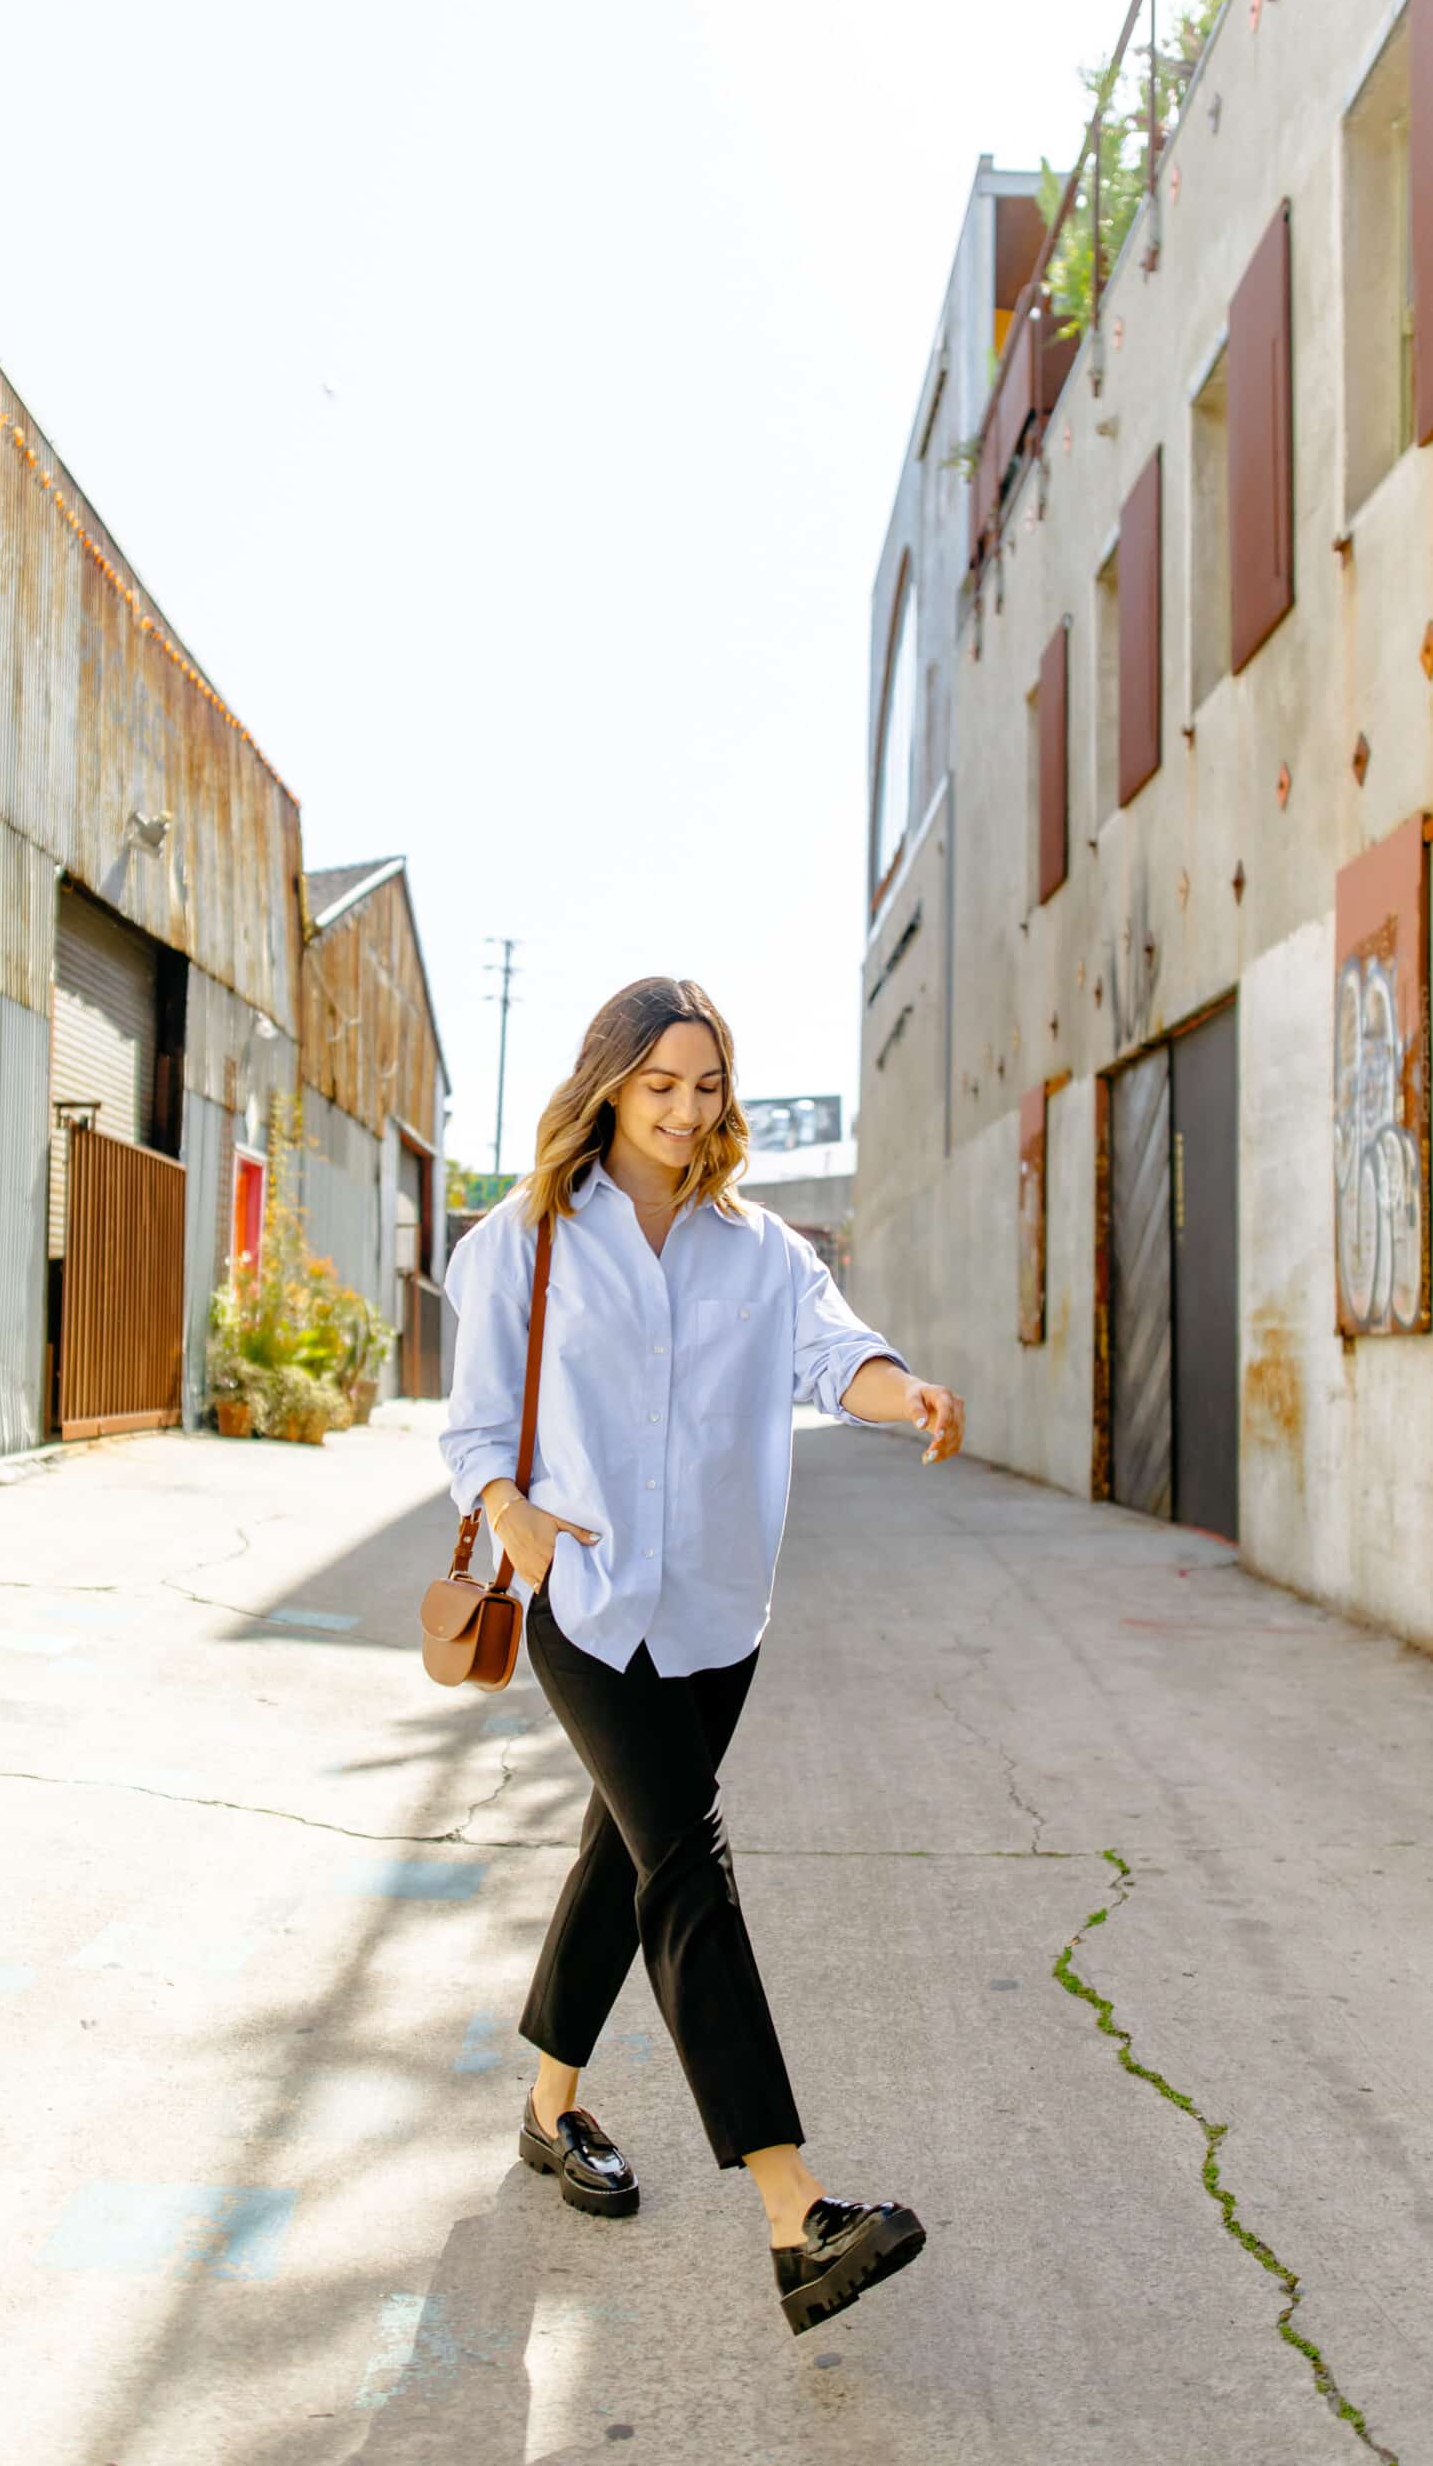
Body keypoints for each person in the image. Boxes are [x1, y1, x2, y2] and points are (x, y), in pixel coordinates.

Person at [438, 975, 965, 2338]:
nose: (686, 1111)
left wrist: (901, 1393)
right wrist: (521, 1523)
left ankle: (548, 2113)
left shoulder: (761, 1250)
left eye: (707, 1085)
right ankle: (798, 2215)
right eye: (660, 1084)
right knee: (685, 1861)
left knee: (626, 1854)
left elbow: (829, 1355)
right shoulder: (529, 1241)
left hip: (719, 1612)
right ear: (609, 1083)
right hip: (589, 1599)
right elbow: (474, 1427)